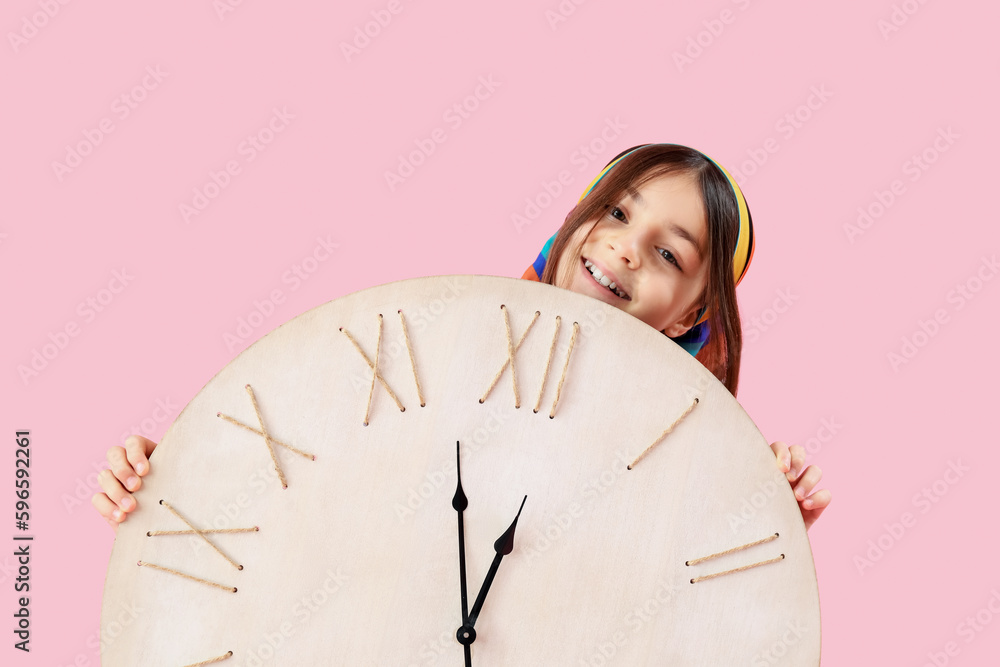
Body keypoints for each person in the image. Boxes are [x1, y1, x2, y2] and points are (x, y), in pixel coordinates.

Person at [92, 143, 831, 532]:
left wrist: (766, 513)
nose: (627, 248)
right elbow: (307, 455)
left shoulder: (683, 448)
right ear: (576, 219)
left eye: (670, 253)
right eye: (615, 213)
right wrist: (177, 472)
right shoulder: (441, 348)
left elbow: (705, 580)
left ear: (689, 318)